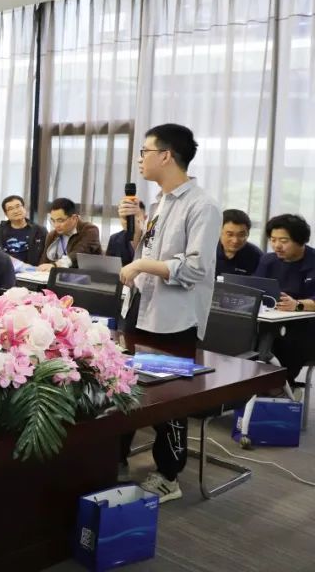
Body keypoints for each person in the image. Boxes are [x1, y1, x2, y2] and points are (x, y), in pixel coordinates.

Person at [118, 123, 221, 503]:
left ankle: (168, 475)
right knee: (126, 386)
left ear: (165, 155)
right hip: (142, 308)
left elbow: (195, 268)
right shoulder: (161, 202)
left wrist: (143, 264)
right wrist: (134, 230)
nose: (140, 160)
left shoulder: (202, 205)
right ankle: (114, 457)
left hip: (173, 318)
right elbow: (150, 250)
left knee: (169, 400)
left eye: (144, 152)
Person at [255, 214, 315, 383]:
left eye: (283, 241)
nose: (277, 246)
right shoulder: (267, 260)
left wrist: (298, 305)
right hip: (270, 323)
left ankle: (279, 386)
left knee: (285, 343)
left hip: (305, 329)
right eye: (273, 240)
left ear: (300, 240)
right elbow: (254, 289)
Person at [38, 198, 103, 269]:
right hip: (57, 274)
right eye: (53, 221)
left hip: (85, 274)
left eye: (60, 220)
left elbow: (79, 253)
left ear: (74, 218)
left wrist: (55, 265)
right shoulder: (52, 235)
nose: (56, 225)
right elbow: (44, 261)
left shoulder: (90, 230)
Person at [0, 194, 47, 263]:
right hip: (7, 267)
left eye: (18, 206)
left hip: (34, 269)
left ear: (24, 208)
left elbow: (45, 254)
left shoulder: (40, 230)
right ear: (6, 214)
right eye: (11, 209)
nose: (16, 211)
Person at [217, 208, 263, 276]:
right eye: (230, 234)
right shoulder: (207, 250)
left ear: (248, 234)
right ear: (219, 231)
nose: (235, 241)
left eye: (241, 235)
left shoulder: (256, 256)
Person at [105, 201, 145, 267]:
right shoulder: (114, 239)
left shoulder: (151, 238)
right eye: (125, 217)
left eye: (134, 216)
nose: (130, 221)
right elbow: (109, 267)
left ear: (145, 217)